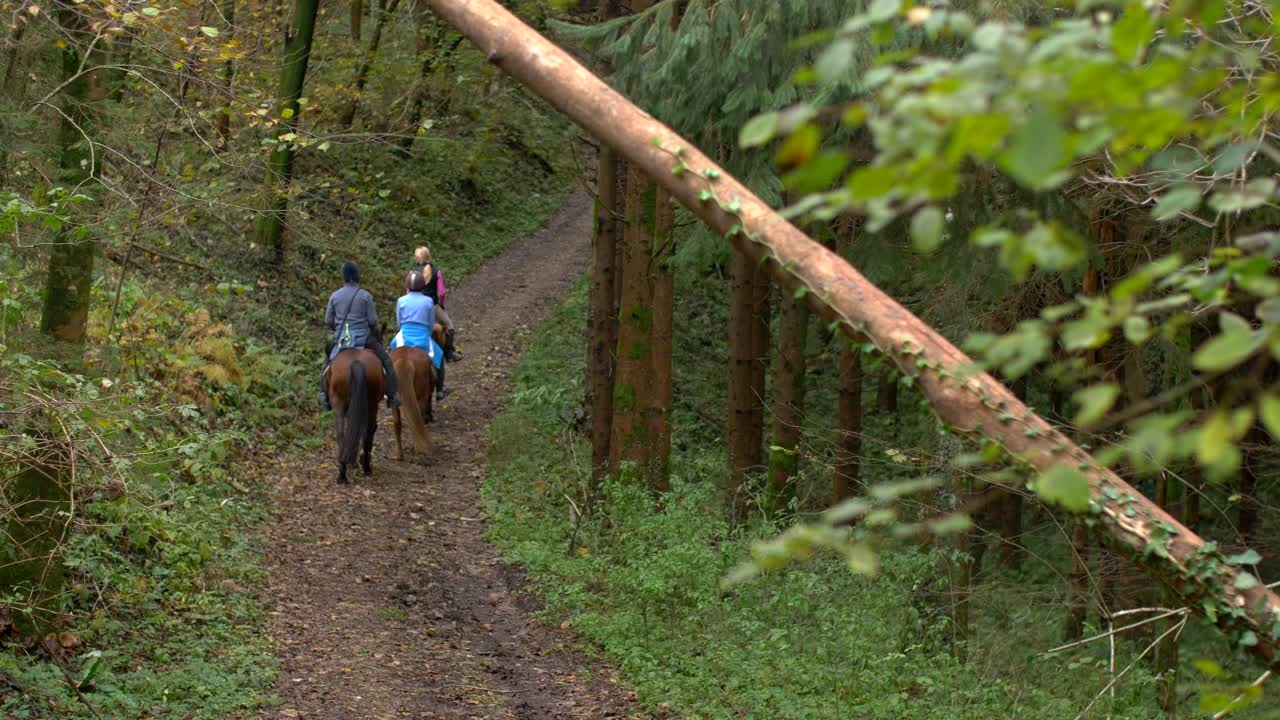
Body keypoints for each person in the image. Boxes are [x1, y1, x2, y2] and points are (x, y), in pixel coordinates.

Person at [322, 260, 400, 411]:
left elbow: (328, 320)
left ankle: (324, 396)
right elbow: (372, 320)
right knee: (386, 360)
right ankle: (392, 396)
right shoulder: (365, 296)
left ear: (344, 277)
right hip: (364, 337)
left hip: (342, 338)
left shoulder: (335, 296)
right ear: (357, 276)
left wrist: (338, 330)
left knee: (327, 363)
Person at [391, 269, 449, 402]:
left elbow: (399, 323)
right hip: (422, 336)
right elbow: (430, 324)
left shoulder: (401, 300)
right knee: (439, 355)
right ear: (422, 285)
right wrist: (426, 334)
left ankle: (390, 389)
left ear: (407, 286)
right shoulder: (428, 301)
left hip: (403, 336)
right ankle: (439, 391)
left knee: (391, 353)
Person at [407, 245, 461, 362]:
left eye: (415, 256)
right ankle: (449, 353)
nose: (414, 258)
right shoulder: (437, 271)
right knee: (449, 325)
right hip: (432, 305)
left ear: (419, 258)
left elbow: (408, 291)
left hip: (415, 305)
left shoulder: (412, 272)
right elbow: (441, 293)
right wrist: (440, 304)